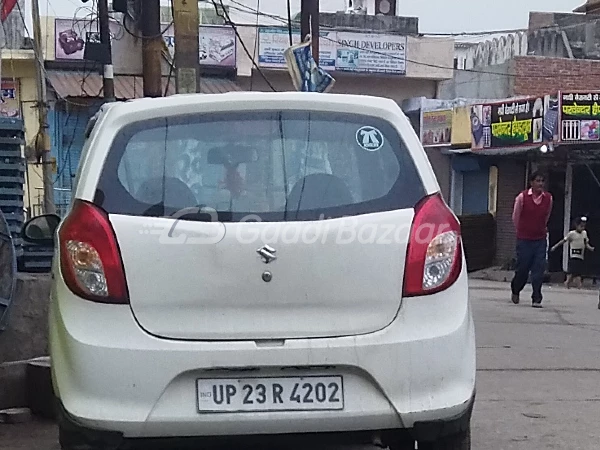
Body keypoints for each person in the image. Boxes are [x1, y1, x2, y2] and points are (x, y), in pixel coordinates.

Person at [511, 171, 553, 308]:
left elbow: (546, 216)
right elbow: (515, 217)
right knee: (522, 269)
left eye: (542, 181)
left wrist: (541, 228)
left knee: (539, 269)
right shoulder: (522, 198)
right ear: (531, 183)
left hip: (540, 239)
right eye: (538, 181)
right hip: (524, 239)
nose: (540, 184)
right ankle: (516, 289)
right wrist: (522, 231)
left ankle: (537, 298)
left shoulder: (548, 198)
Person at [551, 217, 594, 289]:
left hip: (581, 255)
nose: (582, 228)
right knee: (573, 271)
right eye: (581, 226)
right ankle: (576, 284)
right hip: (574, 255)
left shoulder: (584, 233)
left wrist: (591, 248)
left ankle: (569, 282)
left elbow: (586, 243)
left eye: (583, 226)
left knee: (578, 271)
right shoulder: (572, 234)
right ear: (576, 225)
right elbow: (563, 241)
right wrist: (555, 247)